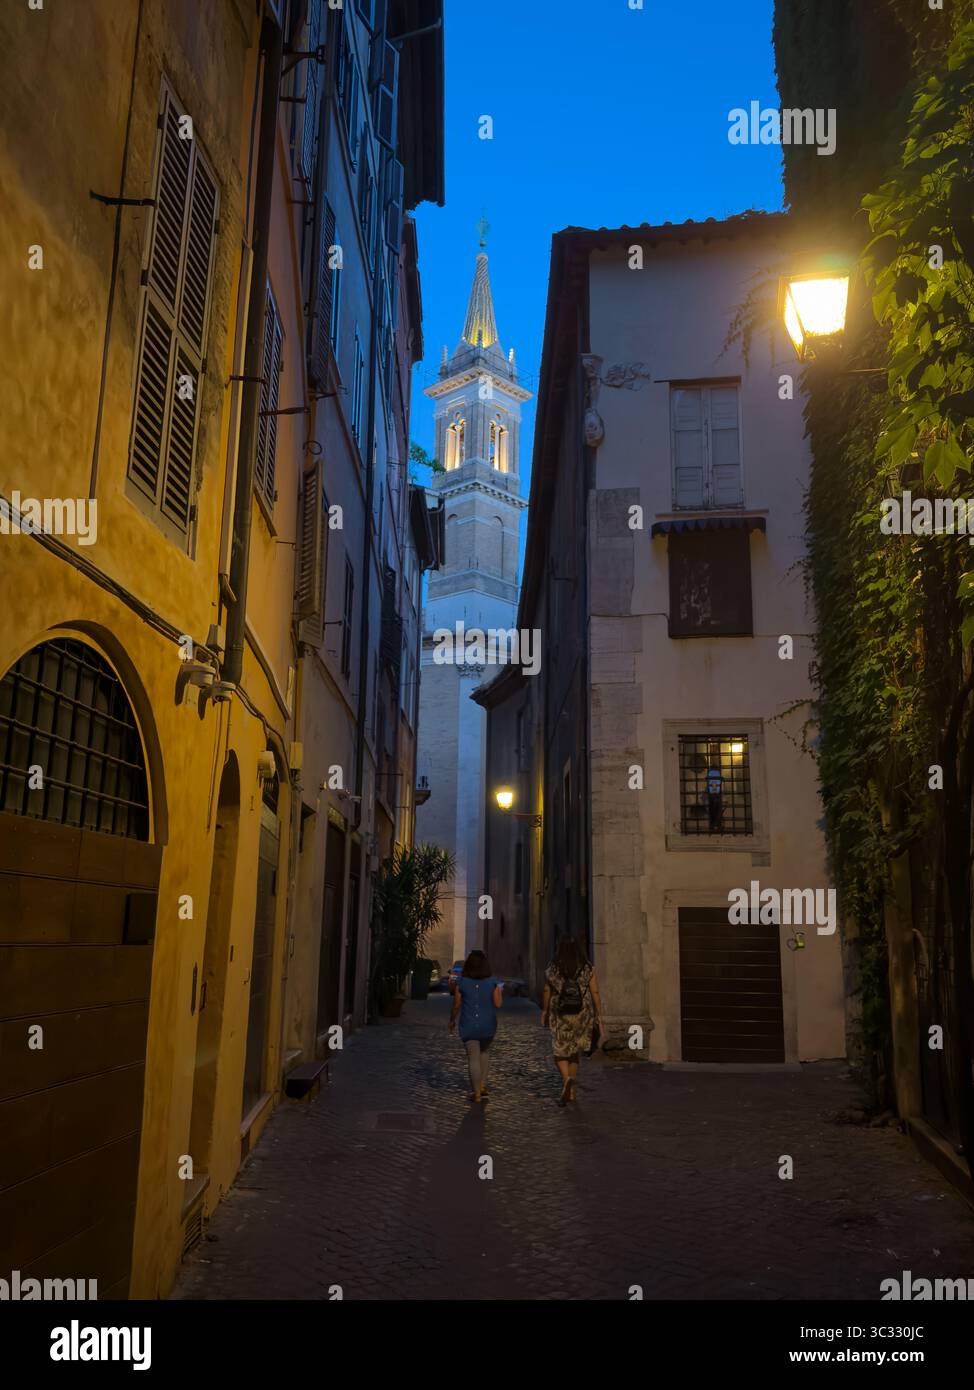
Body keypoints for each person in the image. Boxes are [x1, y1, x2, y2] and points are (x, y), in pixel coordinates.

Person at [541, 936, 604, 1106]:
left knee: (560, 1050)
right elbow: (595, 992)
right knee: (575, 1050)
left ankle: (567, 1079)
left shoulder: (553, 967)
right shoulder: (587, 967)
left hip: (560, 1013)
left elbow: (547, 989)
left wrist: (544, 1010)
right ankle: (573, 1091)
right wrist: (599, 1014)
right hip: (582, 1013)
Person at [448, 949, 503, 1103]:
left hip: (469, 1024)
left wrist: (452, 1020)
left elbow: (457, 1004)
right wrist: (498, 992)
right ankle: (482, 1085)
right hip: (488, 1025)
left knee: (473, 1058)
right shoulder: (493, 982)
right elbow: (498, 1004)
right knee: (484, 1053)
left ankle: (476, 1092)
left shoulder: (462, 982)